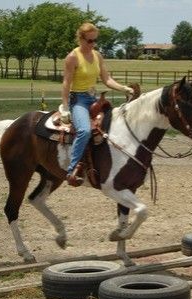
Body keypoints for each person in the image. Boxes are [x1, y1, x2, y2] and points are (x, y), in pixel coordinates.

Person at [61, 22, 134, 187]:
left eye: (95, 41)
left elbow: (106, 79)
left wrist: (123, 88)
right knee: (85, 131)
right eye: (89, 41)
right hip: (78, 99)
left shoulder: (97, 56)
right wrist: (65, 107)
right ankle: (72, 170)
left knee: (116, 123)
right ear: (81, 39)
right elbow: (66, 83)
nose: (93, 44)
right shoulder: (73, 57)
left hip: (94, 99)